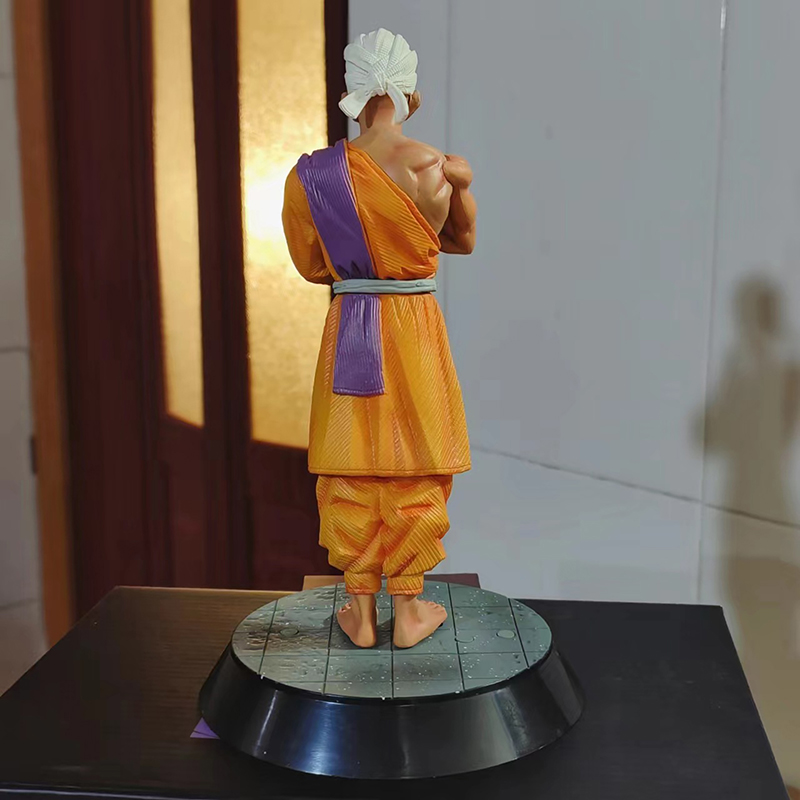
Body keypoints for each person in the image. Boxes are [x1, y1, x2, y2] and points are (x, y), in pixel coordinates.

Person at [282, 28, 476, 648]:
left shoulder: (311, 177)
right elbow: (460, 242)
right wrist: (462, 187)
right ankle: (409, 610)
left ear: (352, 89)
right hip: (414, 330)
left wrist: (358, 264)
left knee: (352, 463)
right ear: (409, 90)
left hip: (350, 329)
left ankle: (361, 610)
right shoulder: (434, 167)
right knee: (416, 459)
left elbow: (311, 266)